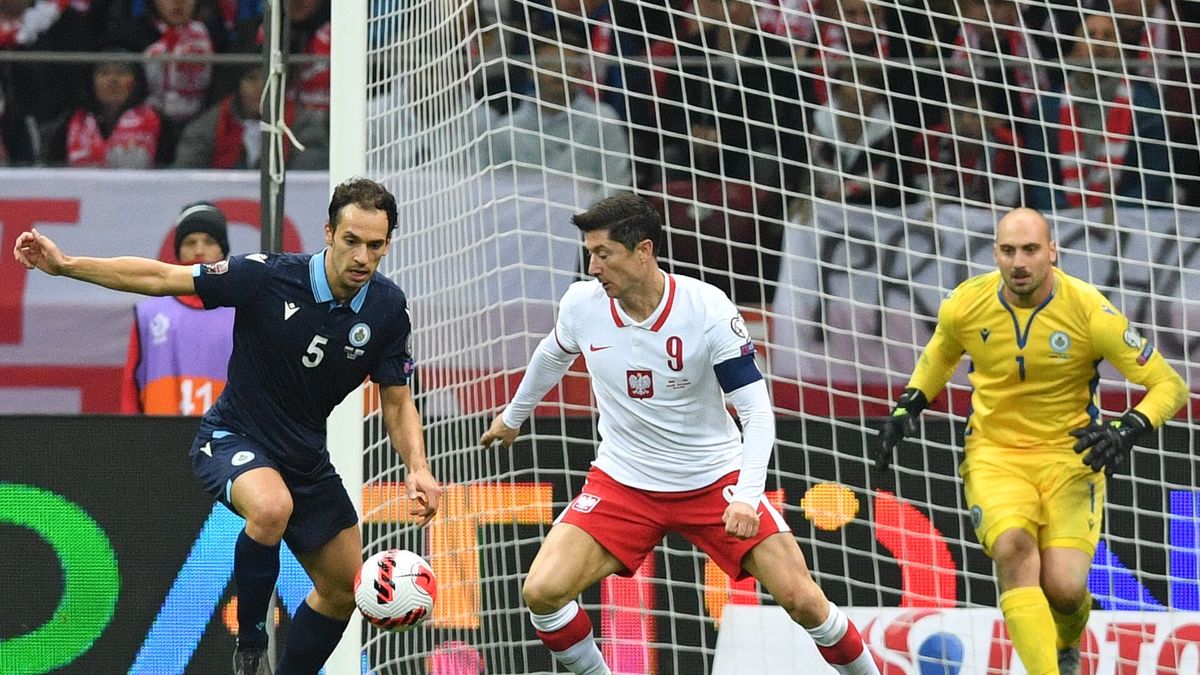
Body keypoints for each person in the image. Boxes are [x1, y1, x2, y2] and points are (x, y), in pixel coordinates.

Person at [13, 177, 443, 675]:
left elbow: (396, 398)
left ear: (388, 244)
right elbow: (160, 278)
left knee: (343, 590)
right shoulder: (267, 277)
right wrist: (66, 266)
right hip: (231, 436)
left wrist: (417, 466)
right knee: (271, 507)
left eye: (375, 245)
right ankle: (252, 643)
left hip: (304, 457)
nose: (362, 257)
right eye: (351, 241)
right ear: (328, 233)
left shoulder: (389, 309)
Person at [479, 194, 879, 675]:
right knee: (541, 592)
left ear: (643, 250)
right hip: (624, 482)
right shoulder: (583, 305)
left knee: (803, 600)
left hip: (714, 481)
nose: (592, 267)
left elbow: (757, 413)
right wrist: (514, 416)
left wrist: (747, 498)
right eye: (589, 253)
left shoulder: (705, 309)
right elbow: (552, 356)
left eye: (603, 254)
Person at [873, 207, 1187, 675]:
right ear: (995, 253)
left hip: (1070, 458)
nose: (1018, 262)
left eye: (1030, 250)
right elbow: (941, 351)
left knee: (1064, 588)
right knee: (1014, 549)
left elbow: (1170, 386)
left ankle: (1066, 641)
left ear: (1052, 253)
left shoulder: (1090, 311)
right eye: (1007, 250)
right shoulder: (966, 303)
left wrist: (1127, 430)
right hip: (995, 455)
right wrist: (910, 403)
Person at [119, 202, 234, 415]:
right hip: (160, 441)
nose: (199, 250)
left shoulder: (241, 313)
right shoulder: (149, 314)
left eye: (209, 241)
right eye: (190, 242)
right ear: (178, 251)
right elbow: (130, 389)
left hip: (224, 442)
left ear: (222, 251)